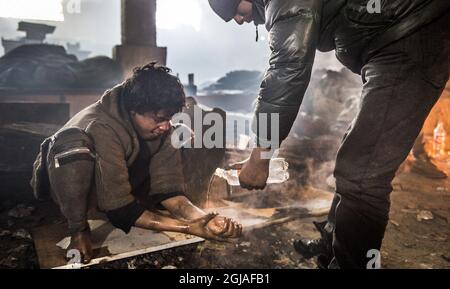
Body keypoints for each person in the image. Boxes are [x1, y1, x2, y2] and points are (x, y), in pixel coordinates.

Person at [208, 0, 450, 268]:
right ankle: (332, 244)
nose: (238, 20)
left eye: (235, 11)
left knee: (362, 174)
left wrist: (260, 156)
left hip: (412, 34)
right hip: (391, 41)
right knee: (352, 154)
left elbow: (288, 68)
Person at [31, 63, 242, 263]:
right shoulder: (102, 125)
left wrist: (205, 220)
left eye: (168, 118)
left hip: (112, 178)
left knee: (182, 131)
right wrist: (188, 228)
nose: (164, 125)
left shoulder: (163, 126)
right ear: (134, 110)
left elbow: (169, 193)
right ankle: (77, 228)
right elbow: (119, 209)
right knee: (73, 144)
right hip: (64, 181)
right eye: (158, 119)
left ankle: (123, 207)